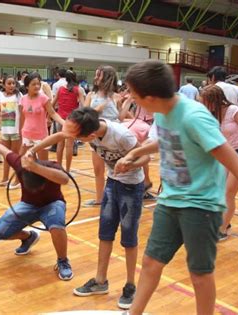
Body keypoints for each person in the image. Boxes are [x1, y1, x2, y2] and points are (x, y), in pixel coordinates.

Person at [118, 60, 238, 315]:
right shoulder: (162, 110)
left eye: (134, 96)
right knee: (150, 262)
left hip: (200, 205)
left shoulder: (195, 117)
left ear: (149, 97)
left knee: (200, 274)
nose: (132, 100)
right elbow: (167, 140)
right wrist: (135, 152)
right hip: (171, 200)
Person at [27, 107, 149, 309]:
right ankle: (100, 281)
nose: (70, 139)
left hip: (132, 187)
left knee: (129, 238)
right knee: (105, 234)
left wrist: (129, 164)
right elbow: (59, 135)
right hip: (112, 184)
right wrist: (32, 150)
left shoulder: (121, 135)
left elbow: (145, 157)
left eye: (76, 138)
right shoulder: (84, 128)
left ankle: (130, 285)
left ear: (91, 136)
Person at [0, 134, 73, 281]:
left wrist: (36, 168)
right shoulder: (19, 164)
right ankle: (29, 237)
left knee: (57, 224)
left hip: (52, 203)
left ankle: (62, 260)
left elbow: (65, 179)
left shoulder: (51, 166)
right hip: (28, 205)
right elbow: (4, 150)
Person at [201, 85, 238, 241]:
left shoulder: (234, 111)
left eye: (205, 101)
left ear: (215, 100)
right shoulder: (213, 114)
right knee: (219, 191)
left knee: (228, 193)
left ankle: (223, 230)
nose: (203, 105)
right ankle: (225, 221)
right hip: (228, 154)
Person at [82, 65, 121, 207]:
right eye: (96, 75)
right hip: (96, 139)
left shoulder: (116, 97)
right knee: (98, 170)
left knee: (117, 170)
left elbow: (121, 117)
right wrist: (97, 110)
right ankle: (99, 199)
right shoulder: (91, 96)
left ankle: (117, 198)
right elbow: (84, 115)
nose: (96, 78)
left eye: (99, 75)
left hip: (115, 139)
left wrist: (128, 103)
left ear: (107, 78)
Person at [19, 72, 64, 162]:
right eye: (34, 84)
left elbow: (53, 113)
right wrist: (20, 133)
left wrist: (64, 122)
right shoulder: (23, 99)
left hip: (41, 136)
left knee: (43, 164)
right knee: (25, 163)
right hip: (26, 135)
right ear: (27, 86)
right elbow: (22, 117)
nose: (37, 86)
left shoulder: (43, 98)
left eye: (38, 84)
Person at [0, 75, 23, 187]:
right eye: (9, 83)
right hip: (5, 131)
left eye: (13, 83)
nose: (11, 85)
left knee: (15, 156)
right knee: (6, 156)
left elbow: (22, 113)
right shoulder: (0, 96)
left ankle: (17, 180)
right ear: (3, 85)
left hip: (16, 131)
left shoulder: (18, 96)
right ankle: (5, 179)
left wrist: (21, 130)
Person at [52, 70, 85, 173]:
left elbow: (52, 103)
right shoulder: (78, 90)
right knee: (69, 145)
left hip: (60, 119)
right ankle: (67, 170)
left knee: (60, 144)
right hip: (72, 120)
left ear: (65, 78)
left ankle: (59, 168)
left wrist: (50, 114)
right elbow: (83, 106)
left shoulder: (60, 89)